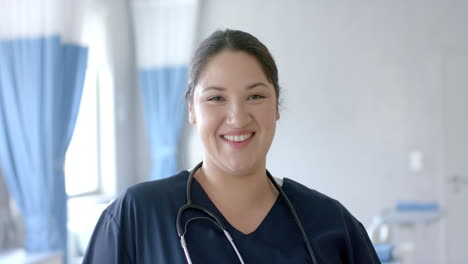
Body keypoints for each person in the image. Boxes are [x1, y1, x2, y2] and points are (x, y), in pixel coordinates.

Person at [83, 29, 381, 264]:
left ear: (277, 105)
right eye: (216, 98)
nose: (237, 117)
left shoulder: (331, 223)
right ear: (191, 109)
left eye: (255, 96)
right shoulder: (138, 216)